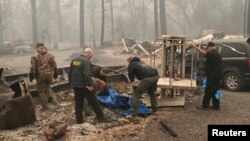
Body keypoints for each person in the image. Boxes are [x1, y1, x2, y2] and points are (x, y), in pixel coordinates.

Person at [68, 48, 104, 124]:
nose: (91, 56)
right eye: (91, 55)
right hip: (84, 86)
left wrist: (72, 83)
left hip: (76, 86)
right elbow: (87, 74)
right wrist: (89, 85)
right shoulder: (86, 61)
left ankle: (79, 121)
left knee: (78, 104)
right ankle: (101, 118)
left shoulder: (74, 60)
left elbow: (70, 72)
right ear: (88, 53)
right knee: (94, 102)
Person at [188, 42, 222, 110]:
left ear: (211, 47)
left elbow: (203, 52)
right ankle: (217, 105)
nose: (207, 49)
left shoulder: (212, 54)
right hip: (218, 76)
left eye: (208, 48)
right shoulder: (217, 54)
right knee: (216, 91)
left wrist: (193, 46)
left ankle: (205, 105)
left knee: (208, 90)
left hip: (212, 76)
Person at [29, 43, 58, 111]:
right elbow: (54, 65)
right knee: (48, 86)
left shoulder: (34, 56)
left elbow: (32, 67)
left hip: (40, 75)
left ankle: (45, 108)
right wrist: (55, 73)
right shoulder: (50, 55)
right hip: (49, 74)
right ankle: (52, 98)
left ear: (37, 47)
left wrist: (31, 75)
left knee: (41, 91)